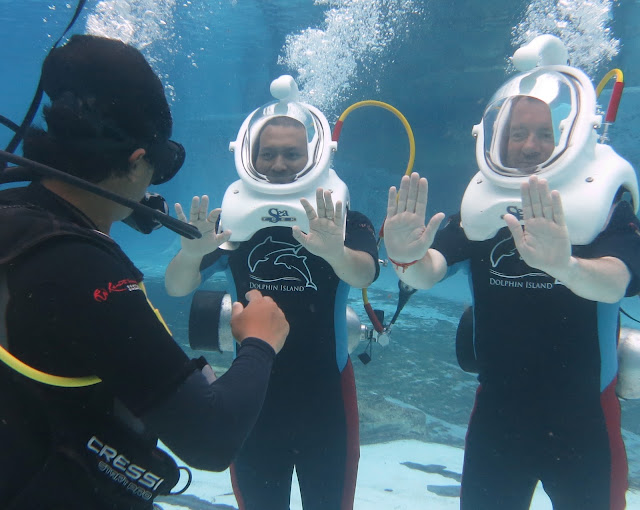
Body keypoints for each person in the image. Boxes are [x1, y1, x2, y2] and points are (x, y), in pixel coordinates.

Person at [0, 34, 289, 510]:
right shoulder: (78, 267)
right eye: (156, 169)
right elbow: (211, 439)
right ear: (136, 162)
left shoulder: (13, 213)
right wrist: (259, 342)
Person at [383, 36, 640, 510]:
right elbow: (429, 272)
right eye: (517, 133)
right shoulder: (483, 204)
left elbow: (616, 280)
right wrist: (405, 256)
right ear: (496, 138)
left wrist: (565, 266)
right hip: (499, 413)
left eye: (544, 133)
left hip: (585, 416)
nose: (529, 145)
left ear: (569, 136)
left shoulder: (604, 203)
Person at [165, 81, 379, 510]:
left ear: (314, 155)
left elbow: (364, 272)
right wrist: (191, 253)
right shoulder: (233, 221)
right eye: (268, 154)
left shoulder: (344, 218)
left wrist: (335, 251)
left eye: (292, 154)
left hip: (326, 399)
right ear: (250, 155)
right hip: (253, 395)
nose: (279, 164)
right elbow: (177, 285)